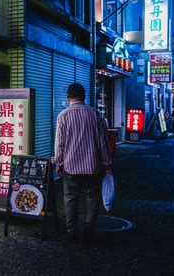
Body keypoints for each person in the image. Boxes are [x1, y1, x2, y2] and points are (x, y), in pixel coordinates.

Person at [55, 83, 111, 242]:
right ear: (84, 96)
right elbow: (102, 141)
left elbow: (60, 144)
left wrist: (59, 163)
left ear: (68, 98)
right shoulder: (94, 114)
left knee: (70, 197)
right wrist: (106, 161)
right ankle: (88, 226)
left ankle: (71, 230)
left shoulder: (63, 116)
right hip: (93, 165)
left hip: (71, 166)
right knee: (93, 196)